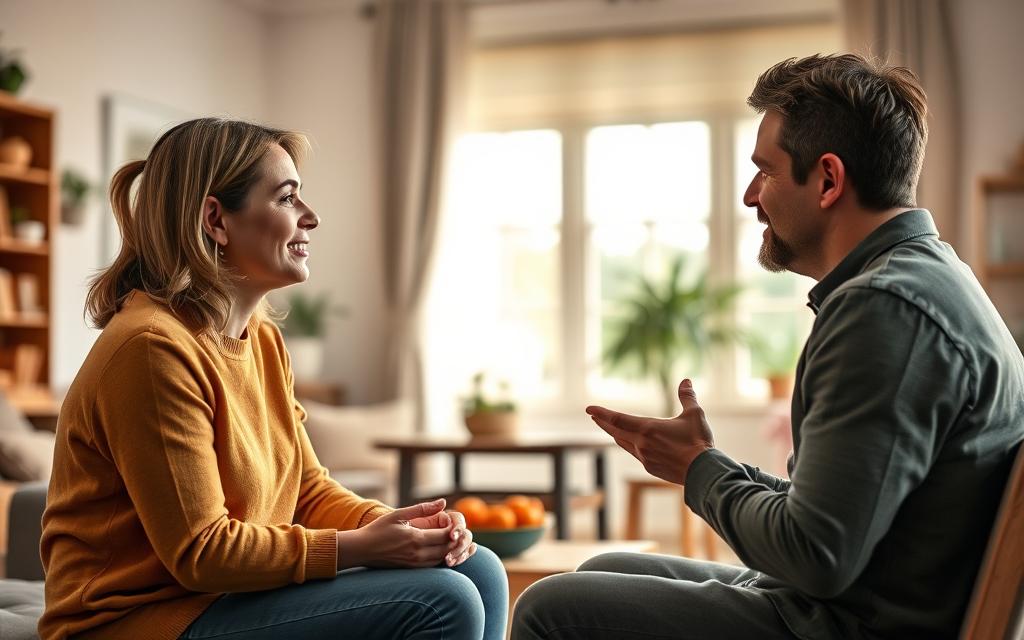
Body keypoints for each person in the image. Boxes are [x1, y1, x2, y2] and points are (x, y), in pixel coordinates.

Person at [512, 53, 1024, 640]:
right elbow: (838, 517)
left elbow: (816, 555)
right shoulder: (928, 277)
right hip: (869, 598)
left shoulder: (884, 310)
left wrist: (699, 470)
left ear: (829, 180)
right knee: (605, 567)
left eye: (767, 170)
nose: (752, 196)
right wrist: (708, 466)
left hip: (854, 623)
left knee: (550, 608)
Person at [39, 118, 508, 640]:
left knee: (477, 568)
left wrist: (400, 526)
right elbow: (202, 552)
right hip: (137, 620)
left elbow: (306, 491)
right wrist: (360, 547)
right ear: (216, 220)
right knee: (444, 600)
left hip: (223, 600)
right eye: (287, 199)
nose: (311, 217)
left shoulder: (261, 339)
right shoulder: (151, 350)